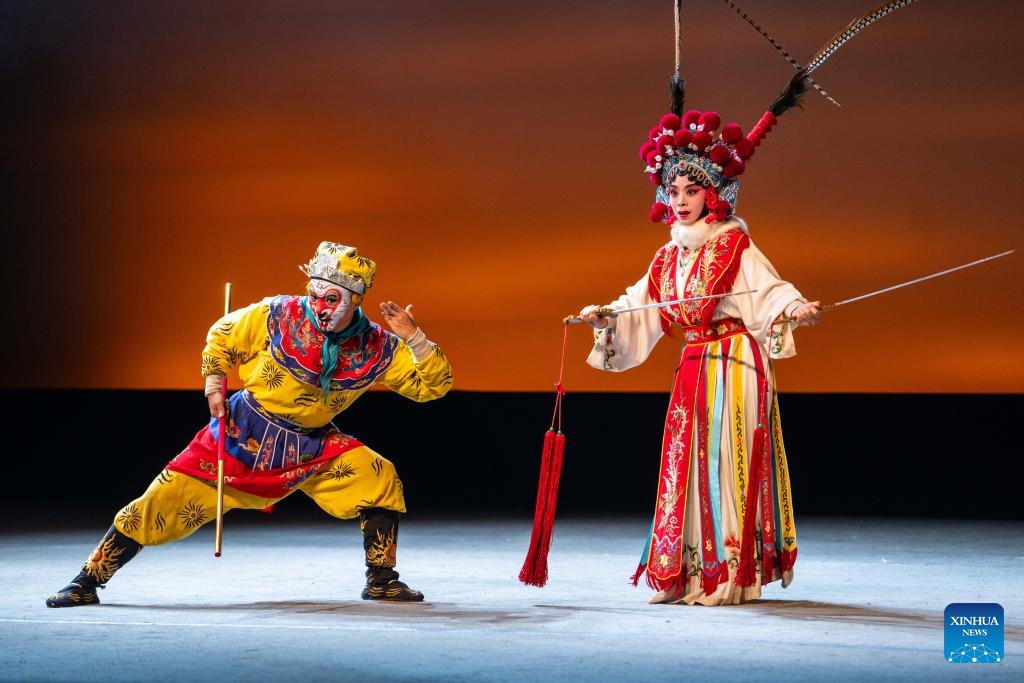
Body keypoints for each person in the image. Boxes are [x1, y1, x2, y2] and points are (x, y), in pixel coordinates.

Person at [46, 241, 453, 607]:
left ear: (356, 298)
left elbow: (429, 389)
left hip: (309, 447)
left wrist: (415, 340)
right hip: (243, 434)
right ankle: (87, 580)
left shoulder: (377, 346)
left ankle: (381, 579)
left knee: (378, 476)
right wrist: (214, 384)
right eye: (315, 295)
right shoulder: (276, 314)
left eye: (332, 299)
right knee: (156, 504)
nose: (320, 306)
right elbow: (222, 336)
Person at [578, 102, 821, 606]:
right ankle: (686, 573)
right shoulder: (667, 255)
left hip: (736, 365)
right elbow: (640, 305)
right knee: (684, 465)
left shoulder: (735, 246)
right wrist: (606, 318)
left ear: (714, 195)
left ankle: (729, 574)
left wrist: (794, 309)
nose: (682, 200)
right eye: (674, 191)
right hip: (693, 368)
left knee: (723, 462)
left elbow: (770, 291)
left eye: (692, 190)